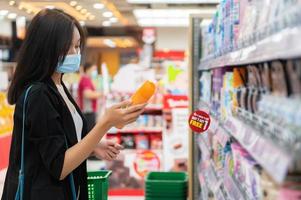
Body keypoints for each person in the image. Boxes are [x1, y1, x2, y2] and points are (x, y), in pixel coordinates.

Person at [2, 9, 146, 200]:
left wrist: (94, 145)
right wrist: (105, 124)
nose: (75, 53)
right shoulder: (39, 94)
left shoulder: (59, 85)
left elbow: (60, 140)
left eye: (77, 46)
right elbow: (59, 166)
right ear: (47, 48)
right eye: (67, 47)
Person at [78, 63, 101, 132]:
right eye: (94, 69)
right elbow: (87, 94)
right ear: (88, 70)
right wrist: (100, 94)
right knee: (90, 134)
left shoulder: (87, 79)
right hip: (88, 112)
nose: (95, 71)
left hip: (88, 111)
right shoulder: (86, 80)